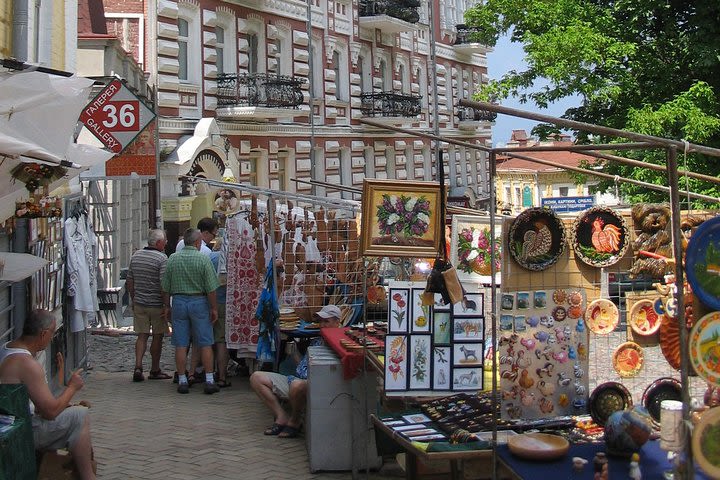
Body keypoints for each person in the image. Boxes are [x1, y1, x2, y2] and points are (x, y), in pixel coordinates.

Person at [0, 309, 96, 480]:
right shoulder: (27, 364)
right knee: (79, 416)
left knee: (71, 413)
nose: (52, 338)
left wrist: (60, 380)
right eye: (52, 333)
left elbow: (41, 404)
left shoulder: (6, 348)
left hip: (12, 423)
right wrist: (72, 388)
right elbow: (49, 412)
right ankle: (88, 476)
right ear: (43, 334)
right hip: (19, 430)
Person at [250, 304, 342, 438]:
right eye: (320, 321)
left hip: (313, 383)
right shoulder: (316, 340)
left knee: (297, 385)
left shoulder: (338, 342)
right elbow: (303, 366)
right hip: (295, 379)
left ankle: (295, 420)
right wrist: (294, 354)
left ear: (337, 322)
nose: (322, 325)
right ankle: (281, 416)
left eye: (326, 321)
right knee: (256, 378)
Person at [162, 228, 220, 395]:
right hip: (199, 301)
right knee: (205, 342)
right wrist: (214, 307)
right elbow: (211, 288)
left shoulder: (173, 259)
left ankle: (182, 380)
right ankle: (209, 380)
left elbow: (165, 287)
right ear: (197, 243)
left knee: (180, 343)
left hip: (179, 301)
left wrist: (167, 306)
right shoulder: (203, 259)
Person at [127, 229, 171, 382]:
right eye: (165, 240)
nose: (166, 243)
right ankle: (155, 368)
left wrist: (133, 298)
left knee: (142, 335)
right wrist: (166, 305)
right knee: (157, 336)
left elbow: (130, 280)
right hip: (156, 304)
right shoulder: (162, 259)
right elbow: (163, 285)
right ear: (159, 243)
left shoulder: (136, 256)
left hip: (140, 302)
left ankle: (138, 366)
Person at [209, 239, 230, 388]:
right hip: (224, 302)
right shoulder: (231, 259)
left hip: (207, 303)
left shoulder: (209, 258)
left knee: (206, 341)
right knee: (221, 340)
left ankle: (207, 373)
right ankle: (222, 375)